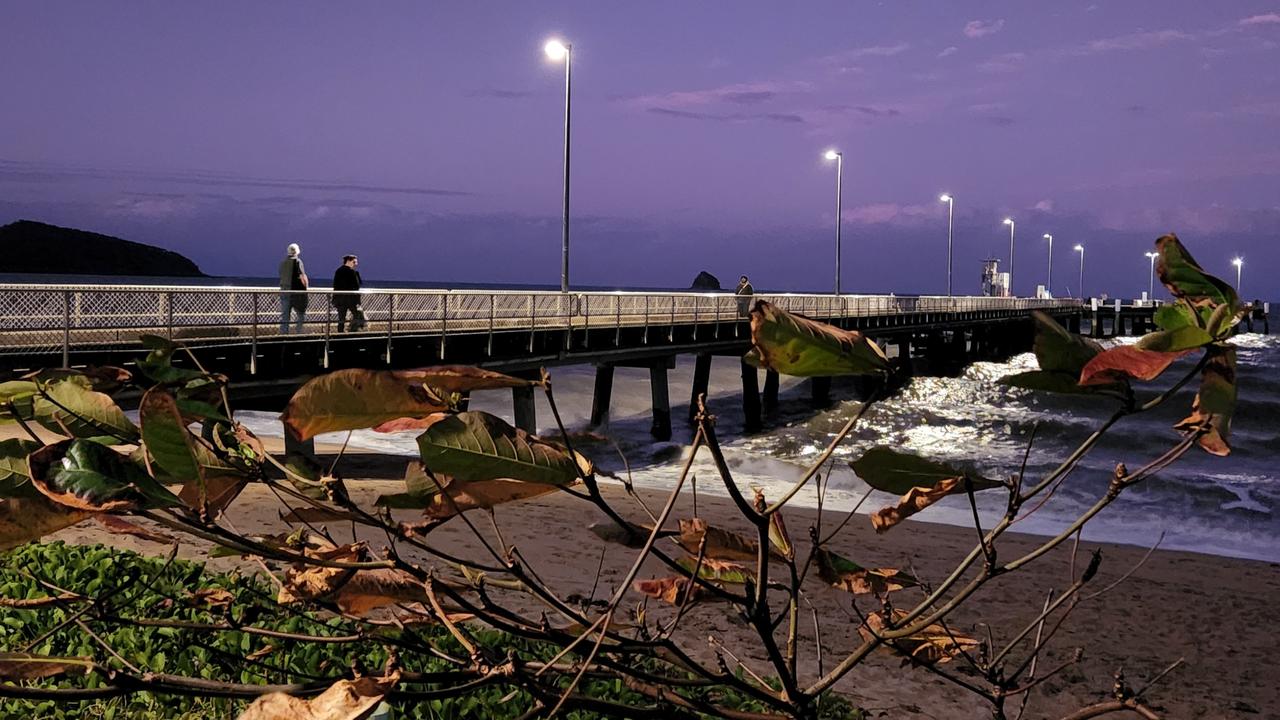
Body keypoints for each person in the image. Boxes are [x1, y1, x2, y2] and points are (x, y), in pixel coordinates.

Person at [278, 243, 309, 334]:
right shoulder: (298, 261)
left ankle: (284, 334)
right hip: (296, 293)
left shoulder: (282, 263)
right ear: (297, 251)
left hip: (284, 291)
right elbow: (302, 277)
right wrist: (306, 288)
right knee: (301, 314)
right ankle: (298, 332)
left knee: (285, 315)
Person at [332, 254, 363, 332]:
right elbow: (357, 286)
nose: (356, 264)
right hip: (351, 299)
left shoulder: (338, 271)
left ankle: (340, 333)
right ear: (349, 261)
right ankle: (353, 330)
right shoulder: (352, 272)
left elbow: (335, 285)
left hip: (340, 298)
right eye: (354, 262)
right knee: (356, 314)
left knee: (341, 318)